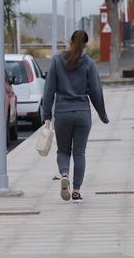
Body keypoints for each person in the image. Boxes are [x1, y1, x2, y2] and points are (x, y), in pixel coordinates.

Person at [40, 29, 109, 203]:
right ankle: (76, 191)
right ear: (85, 44)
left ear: (70, 41)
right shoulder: (89, 63)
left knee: (63, 150)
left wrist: (46, 114)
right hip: (82, 113)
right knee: (79, 153)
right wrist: (102, 115)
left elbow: (48, 90)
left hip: (62, 113)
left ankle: (64, 174)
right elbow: (95, 91)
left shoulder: (56, 60)